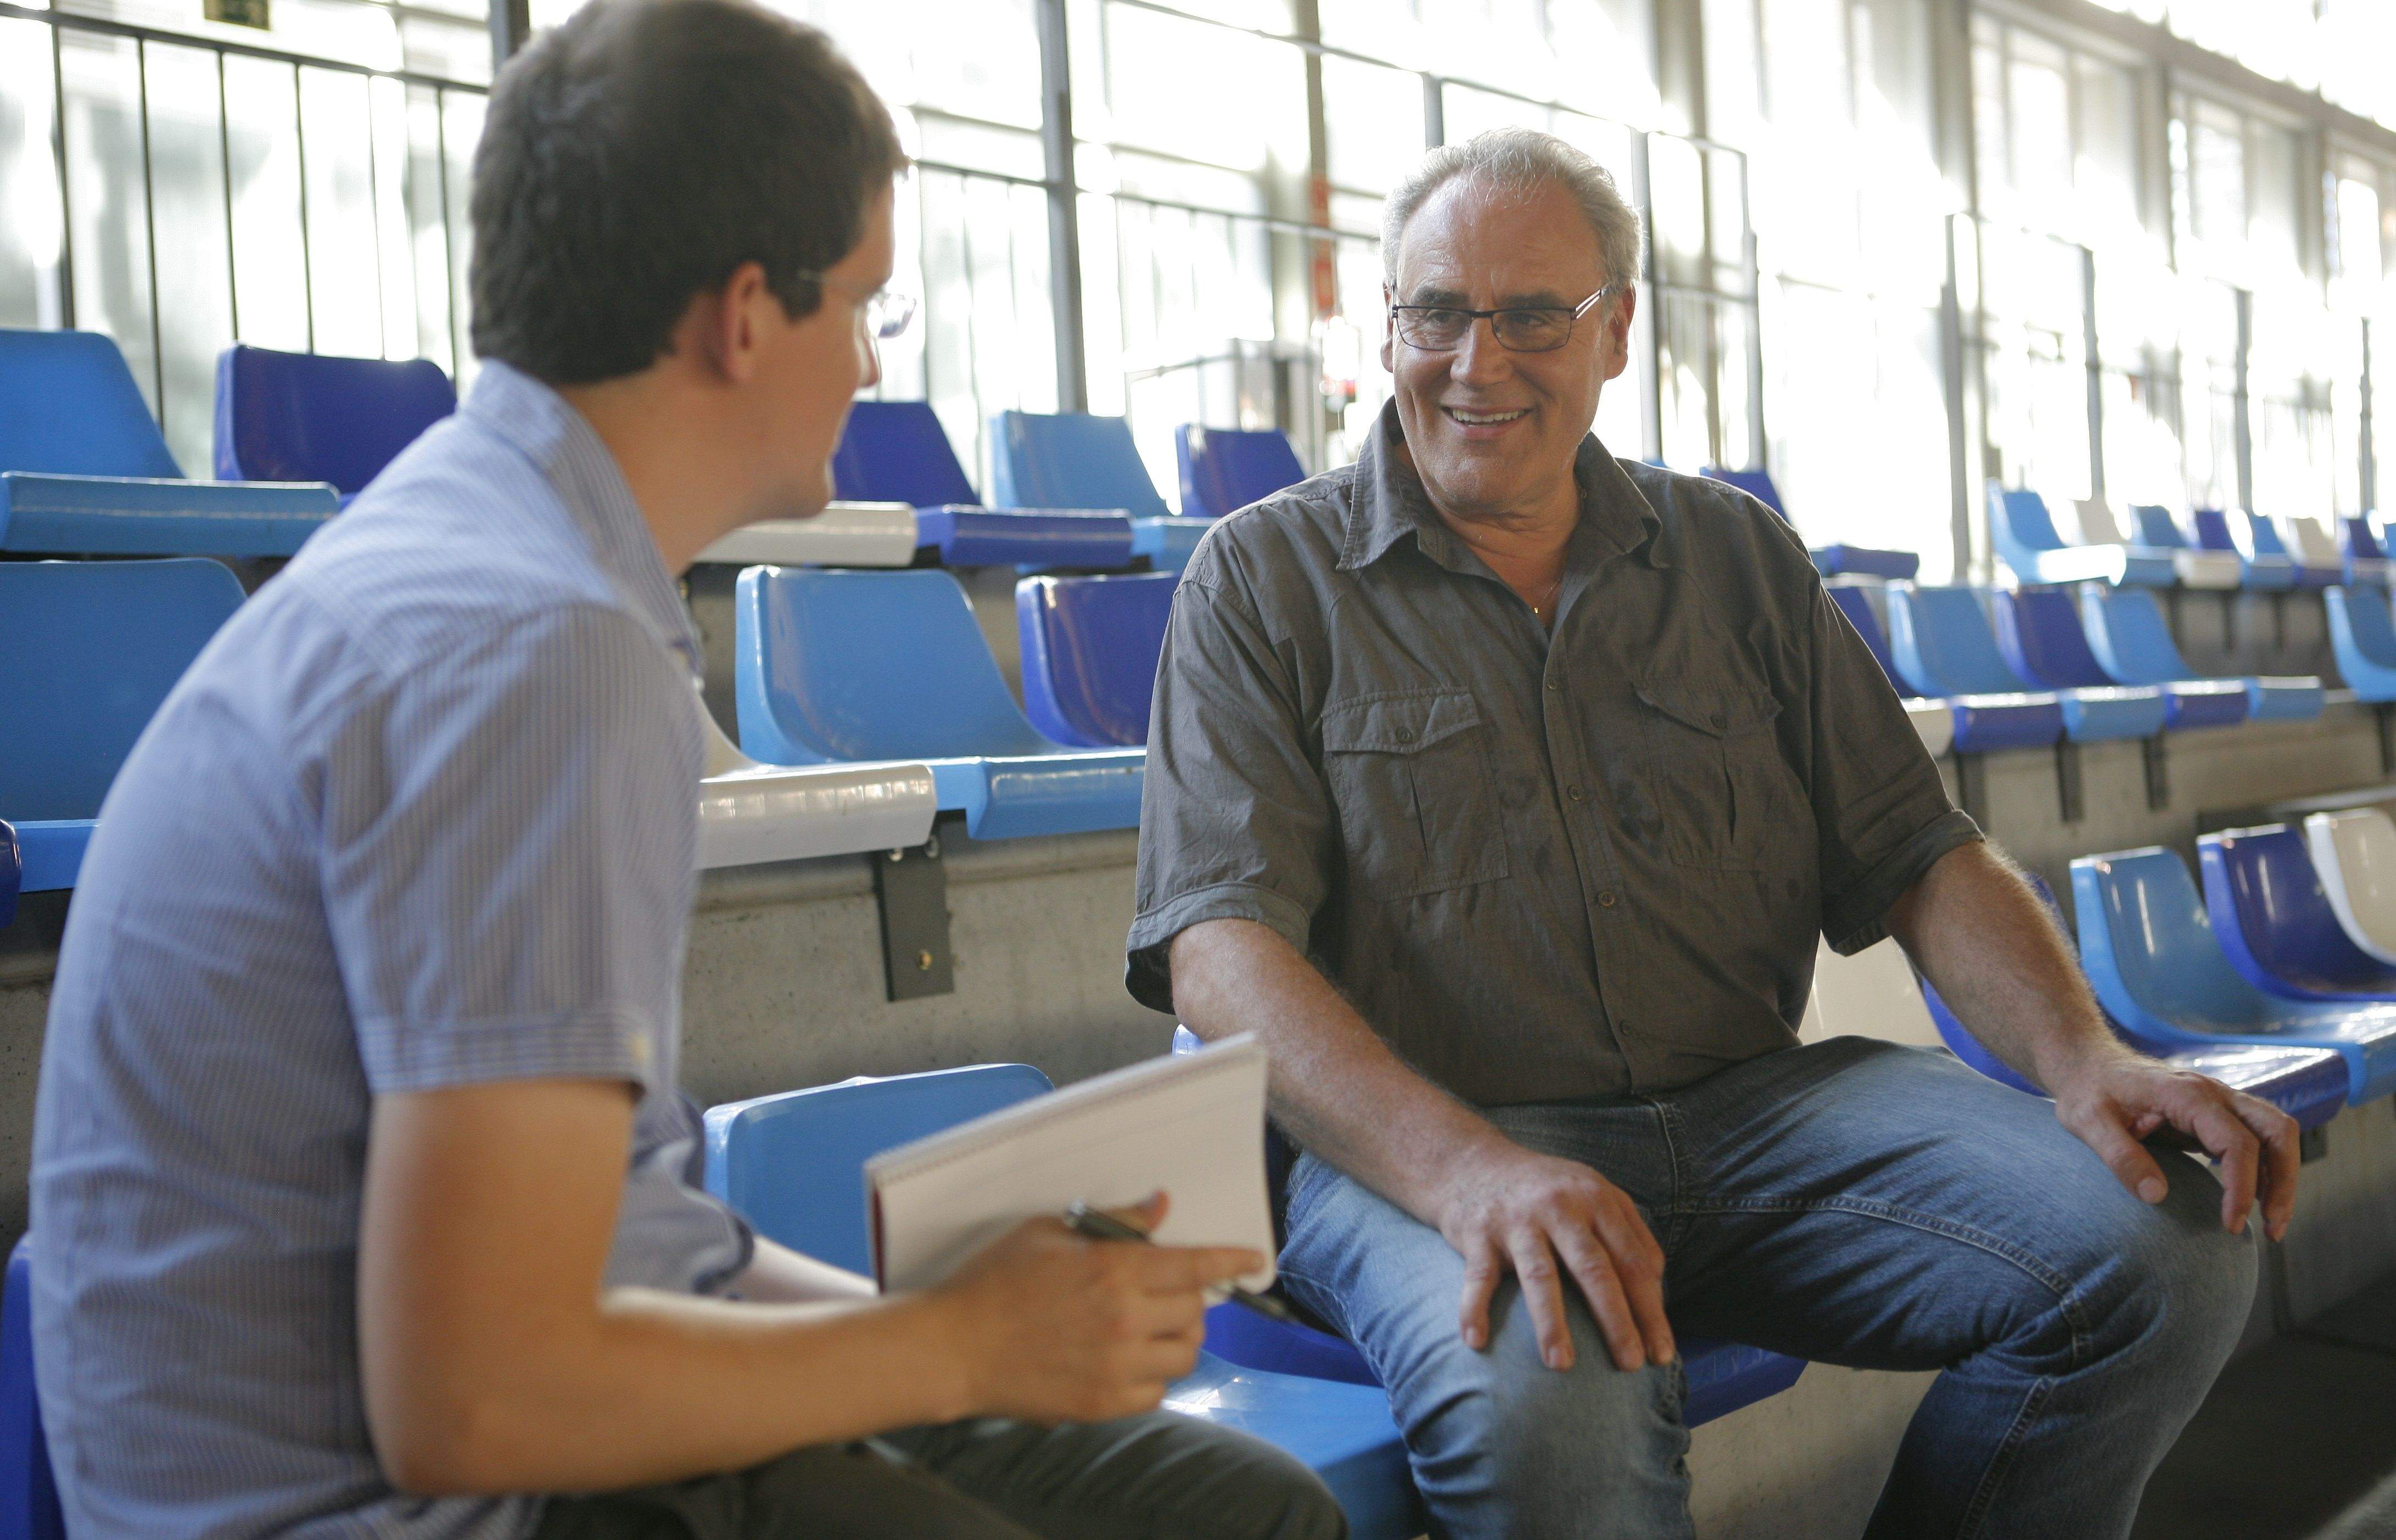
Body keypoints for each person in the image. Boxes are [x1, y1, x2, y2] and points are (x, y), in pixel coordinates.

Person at [27, 5, 1346, 1538]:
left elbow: (634, 1239)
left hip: (504, 1434)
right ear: (740, 317)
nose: (865, 363)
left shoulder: (501, 568)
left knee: (1237, 1509)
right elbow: (477, 1400)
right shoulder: (529, 649)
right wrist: (953, 1341)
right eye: (862, 305)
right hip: (416, 1497)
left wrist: (958, 1337)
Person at [1130, 126, 2297, 1540]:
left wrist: (2084, 1054)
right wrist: (1464, 1168)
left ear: (1615, 329)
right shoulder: (1260, 578)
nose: (1474, 362)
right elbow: (1218, 949)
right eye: (1435, 312)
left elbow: (1916, 848)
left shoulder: (1737, 557)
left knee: (2162, 1247)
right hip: (1438, 1135)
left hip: (1760, 1115)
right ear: (1388, 327)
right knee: (1550, 1399)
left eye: (1531, 316)